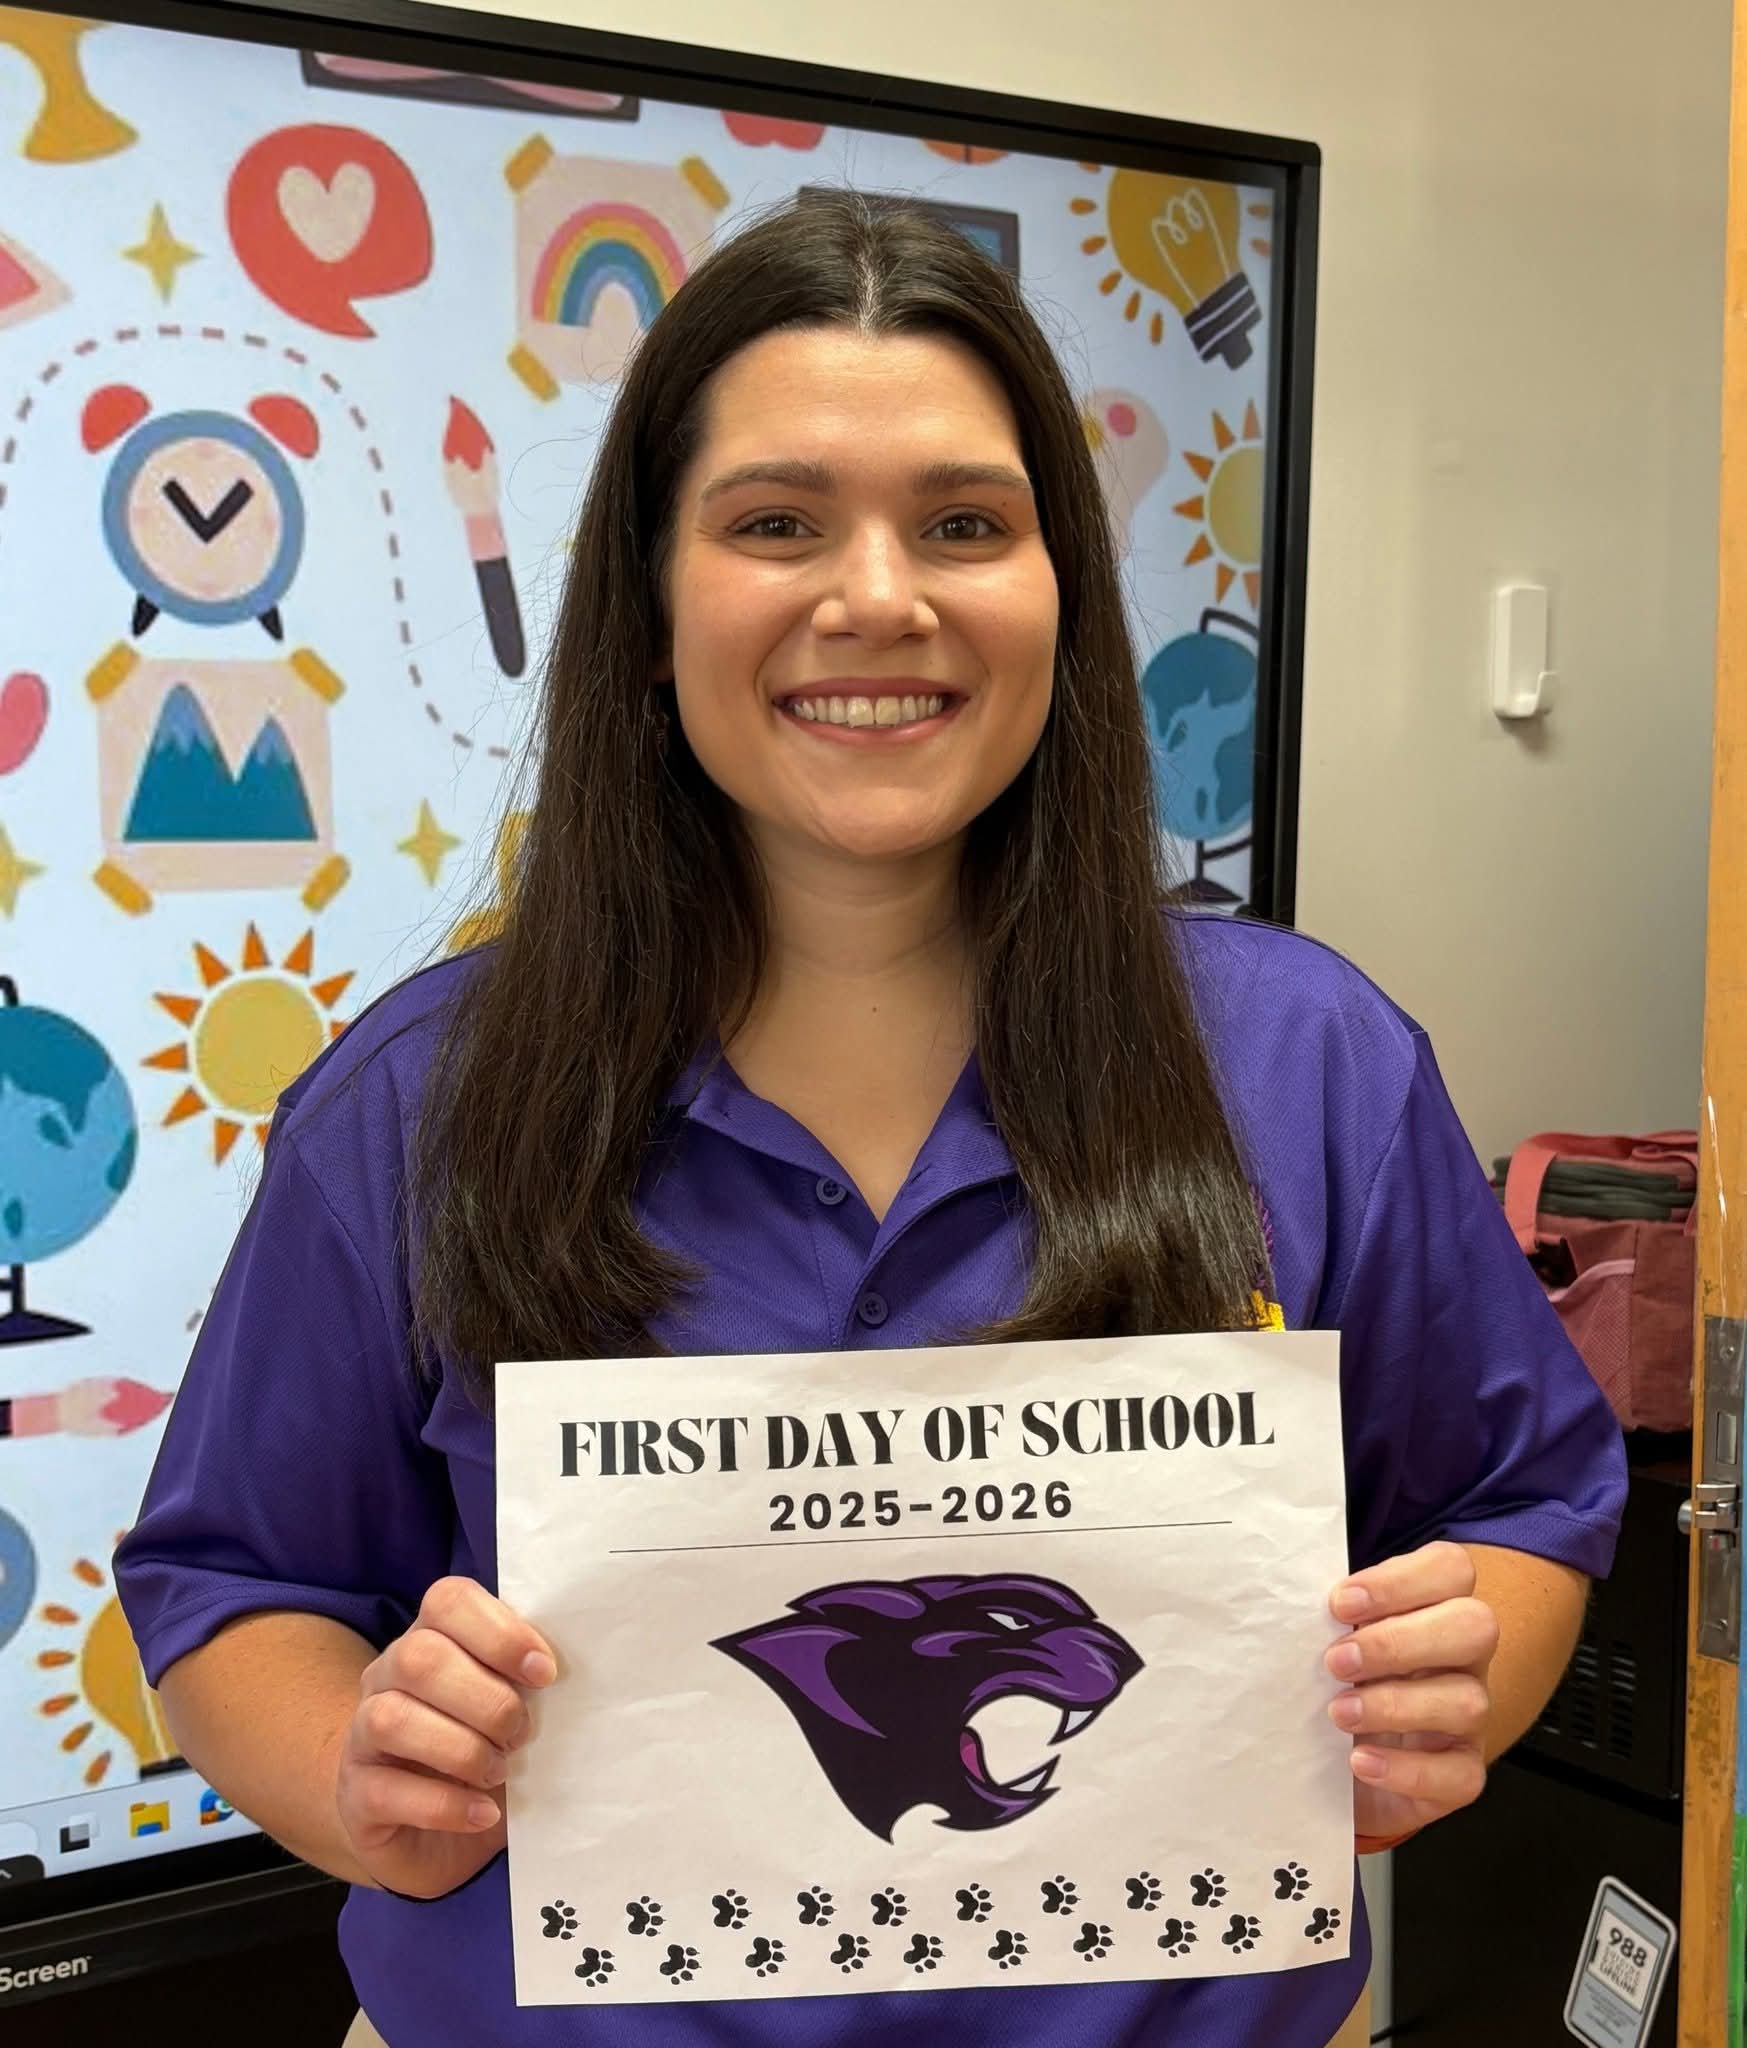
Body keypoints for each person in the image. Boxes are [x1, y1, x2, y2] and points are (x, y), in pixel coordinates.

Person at [114, 188, 1626, 2048]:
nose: (880, 598)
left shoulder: (1314, 1067)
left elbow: (1520, 1498)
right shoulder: (419, 1106)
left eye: (967, 525)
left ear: (1059, 588)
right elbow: (237, 1587)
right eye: (776, 522)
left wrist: (1450, 1684)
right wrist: (361, 1768)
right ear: (651, 597)